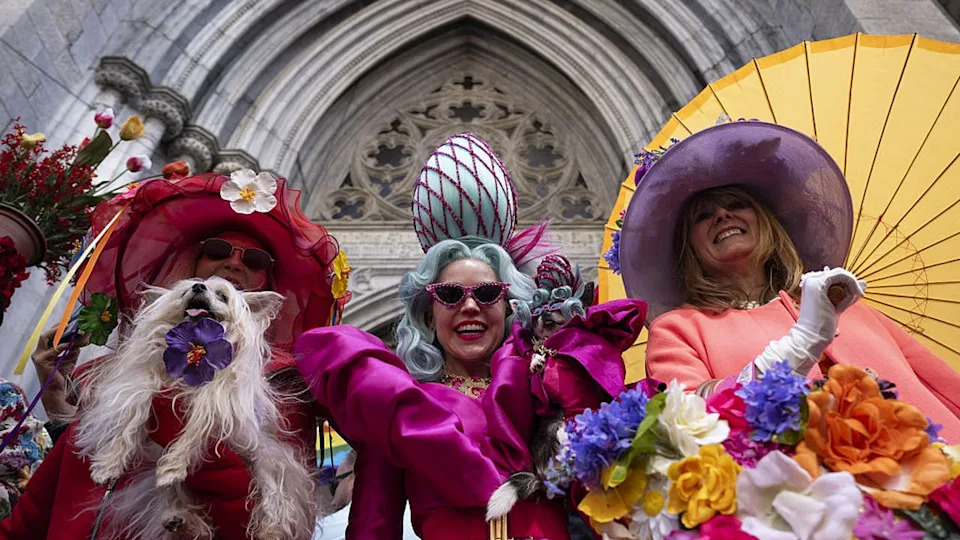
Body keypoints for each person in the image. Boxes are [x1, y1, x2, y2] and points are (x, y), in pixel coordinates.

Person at [296, 133, 646, 539]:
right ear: (428, 315)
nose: (469, 306)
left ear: (509, 305)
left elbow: (606, 497)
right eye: (449, 294)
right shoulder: (397, 406)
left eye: (486, 293)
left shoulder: (544, 387)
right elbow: (375, 523)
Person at [3, 172, 342, 538]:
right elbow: (44, 508)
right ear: (188, 267)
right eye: (217, 251)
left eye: (256, 261)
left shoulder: (281, 387)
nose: (233, 264)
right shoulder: (109, 375)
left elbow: (268, 516)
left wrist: (185, 423)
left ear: (266, 295)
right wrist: (58, 403)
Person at [616, 121, 960, 442]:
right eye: (703, 216)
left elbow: (942, 385)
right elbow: (689, 424)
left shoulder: (845, 306)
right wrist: (804, 342)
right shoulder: (678, 330)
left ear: (767, 223)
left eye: (736, 205)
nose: (722, 215)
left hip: (933, 476)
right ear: (689, 248)